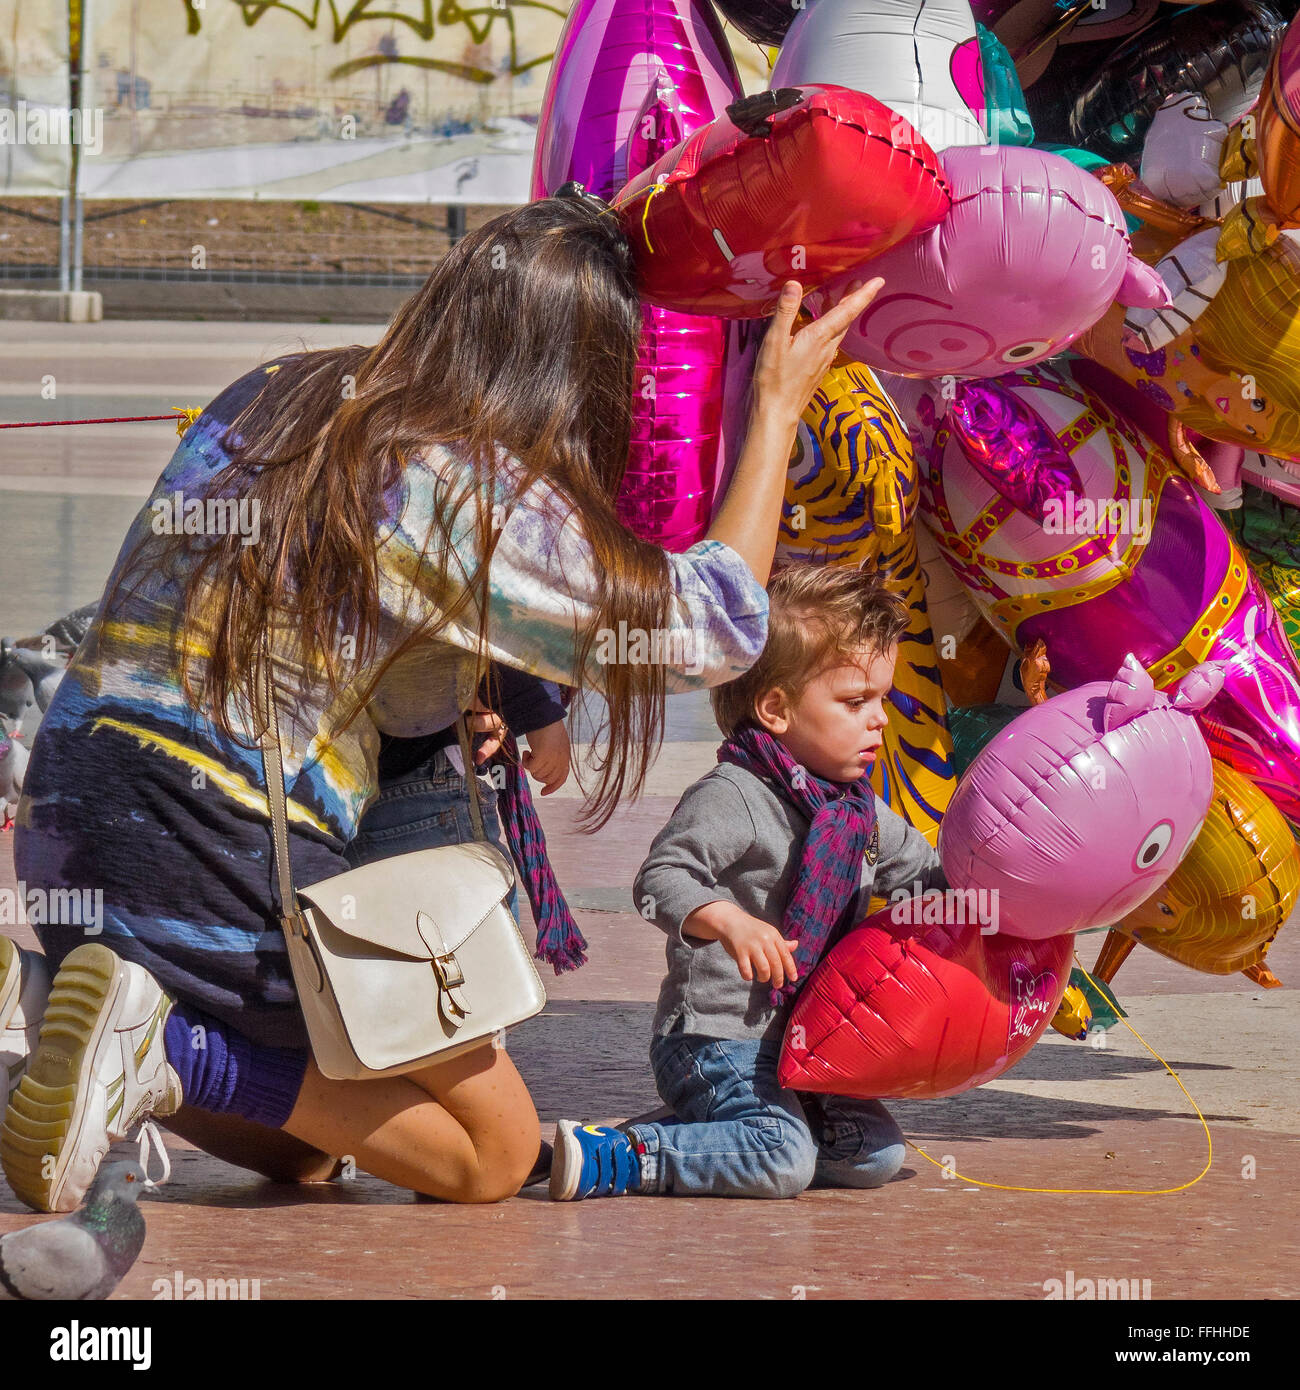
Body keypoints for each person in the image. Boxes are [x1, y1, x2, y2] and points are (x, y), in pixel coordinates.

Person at [0, 190, 884, 1212]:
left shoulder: (279, 387)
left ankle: (42, 1005)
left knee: (310, 1150)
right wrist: (774, 407)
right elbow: (716, 627)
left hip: (67, 836)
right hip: (213, 866)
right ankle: (171, 1045)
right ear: (577, 369)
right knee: (484, 1152)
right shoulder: (456, 483)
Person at [550, 565, 947, 1201]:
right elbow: (660, 877)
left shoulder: (856, 812)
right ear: (776, 709)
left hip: (810, 1042)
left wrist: (1007, 887)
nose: (879, 721)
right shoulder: (734, 794)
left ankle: (680, 1138)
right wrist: (726, 919)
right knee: (785, 1161)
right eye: (854, 702)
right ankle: (620, 1160)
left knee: (872, 1157)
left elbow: (933, 884)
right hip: (716, 1039)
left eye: (883, 700)